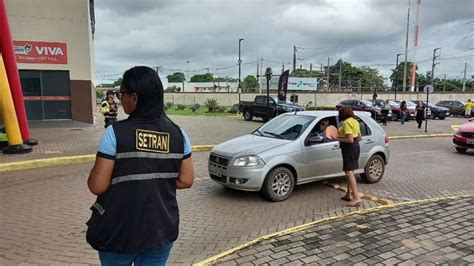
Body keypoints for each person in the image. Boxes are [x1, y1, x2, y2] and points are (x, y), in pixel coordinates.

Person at [86, 66, 195, 265]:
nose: (120, 99)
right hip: (160, 230)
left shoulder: (115, 133)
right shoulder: (178, 134)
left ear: (134, 98)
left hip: (119, 233)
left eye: (122, 94)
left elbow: (97, 186)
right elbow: (187, 180)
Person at [336, 107, 362, 207]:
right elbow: (359, 138)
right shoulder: (355, 121)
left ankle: (356, 198)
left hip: (349, 148)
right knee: (350, 172)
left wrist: (338, 138)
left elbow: (350, 140)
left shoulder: (346, 123)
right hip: (356, 147)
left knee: (349, 172)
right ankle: (348, 194)